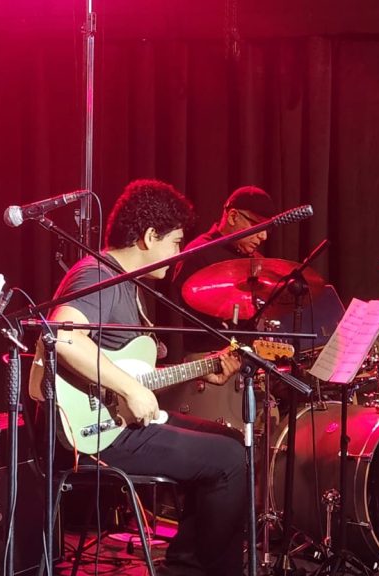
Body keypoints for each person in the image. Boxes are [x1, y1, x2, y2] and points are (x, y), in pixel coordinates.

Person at [30, 179, 247, 576]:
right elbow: (62, 336)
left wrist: (202, 370)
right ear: (149, 237)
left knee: (230, 440)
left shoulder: (128, 286)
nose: (179, 253)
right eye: (176, 242)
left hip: (113, 421)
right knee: (229, 460)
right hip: (90, 435)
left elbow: (128, 369)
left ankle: (186, 564)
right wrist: (130, 387)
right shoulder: (97, 275)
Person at [170, 185, 276, 360]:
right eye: (257, 225)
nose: (264, 236)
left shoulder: (256, 260)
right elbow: (179, 320)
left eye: (268, 229)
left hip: (248, 362)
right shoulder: (198, 254)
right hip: (207, 362)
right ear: (233, 216)